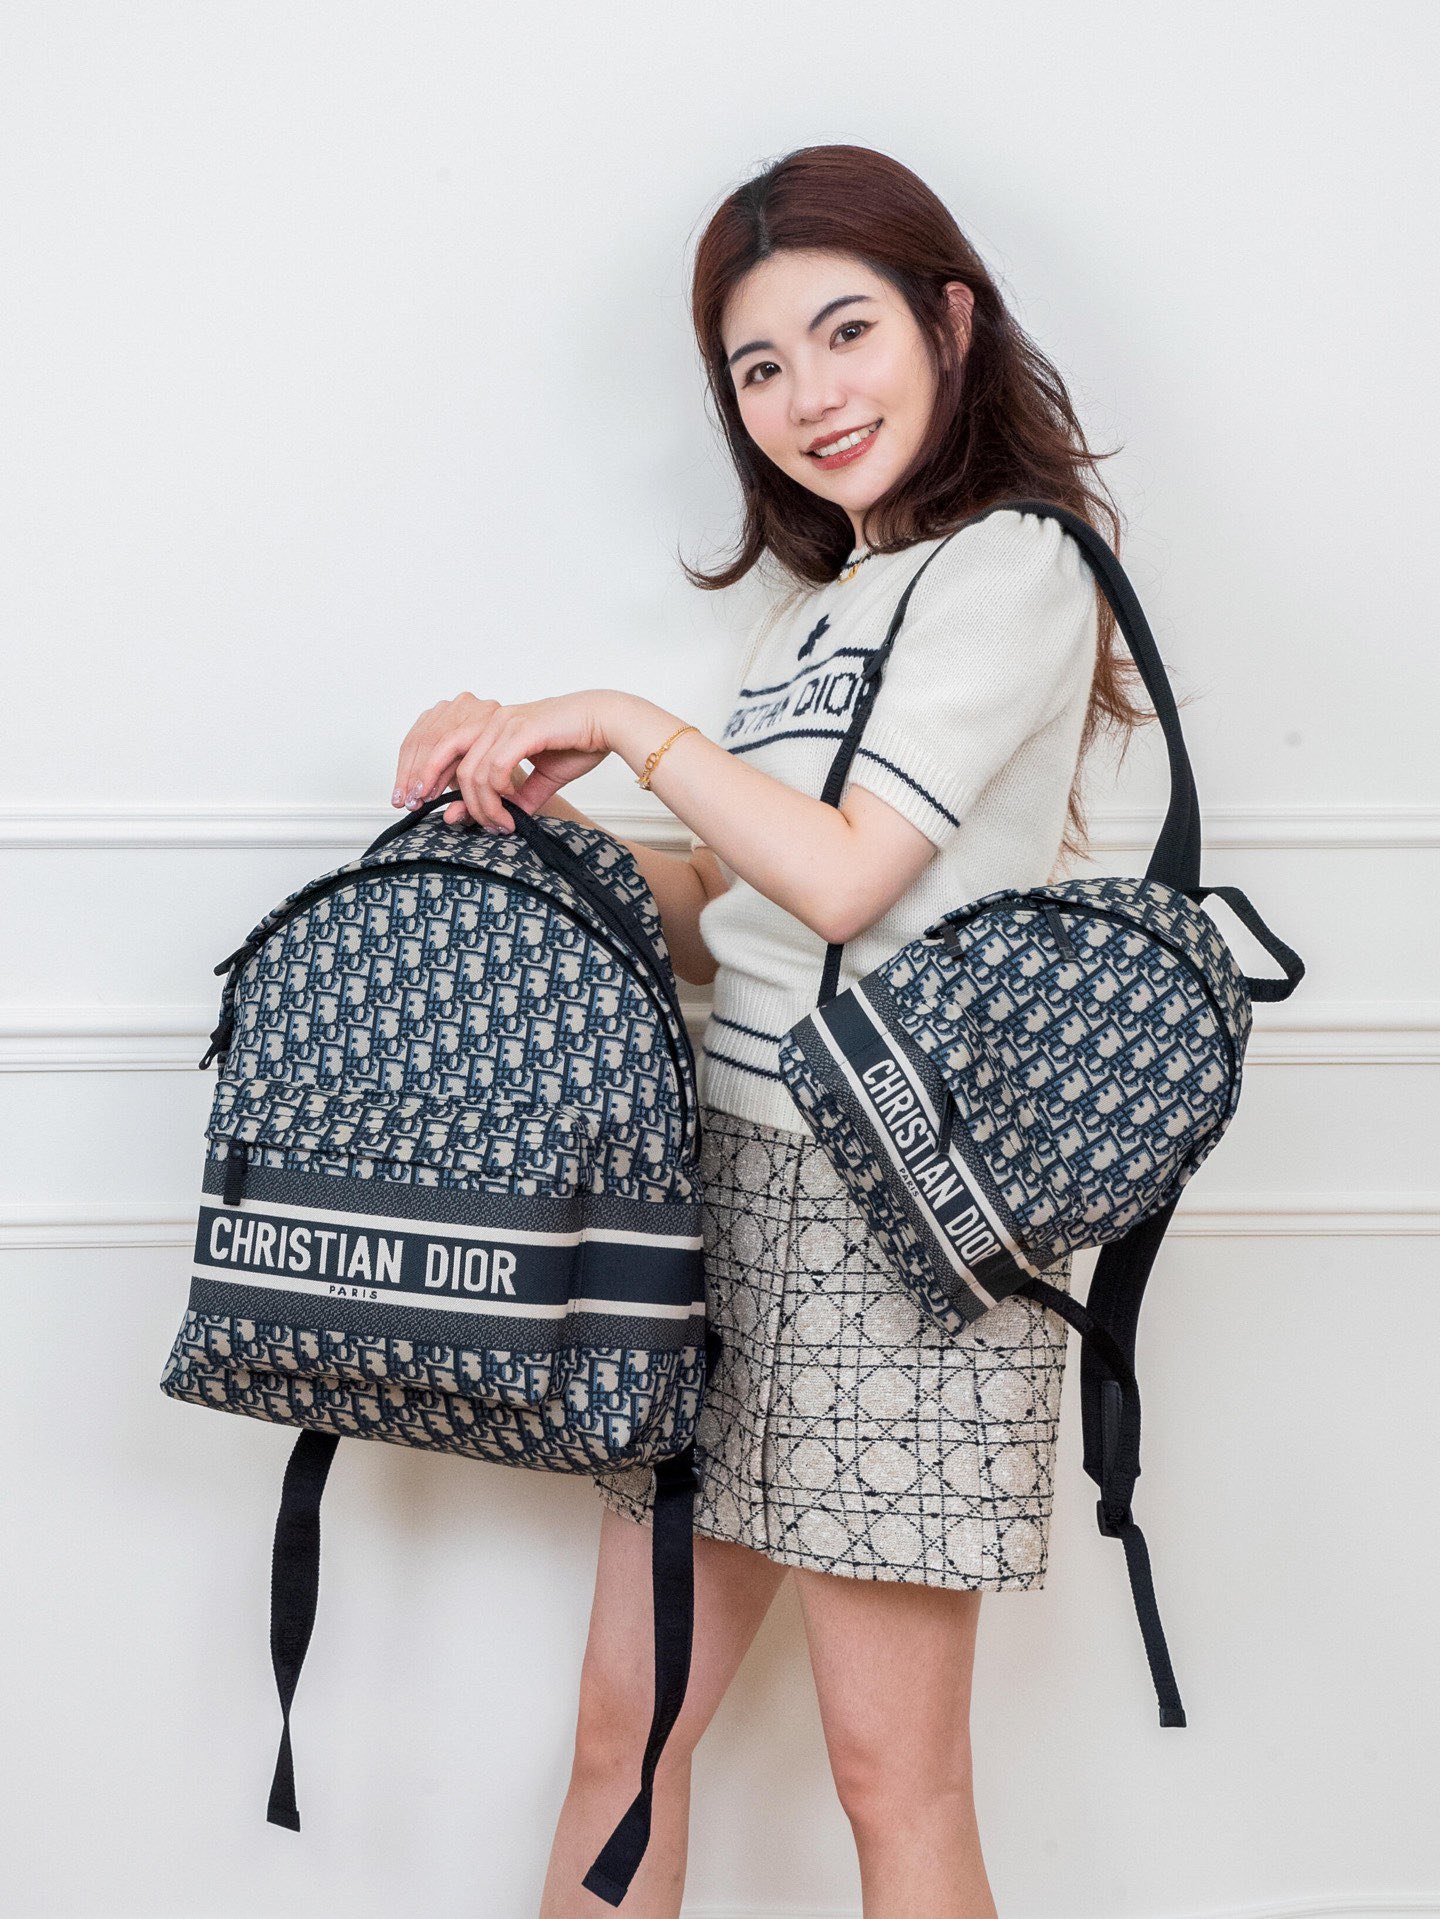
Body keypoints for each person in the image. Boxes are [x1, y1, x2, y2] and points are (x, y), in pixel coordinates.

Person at [388, 144, 1155, 1919]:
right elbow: (740, 916)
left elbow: (845, 875)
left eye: (845, 332)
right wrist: (525, 809)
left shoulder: (1021, 568)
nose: (810, 395)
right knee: (625, 1737)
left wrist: (623, 720)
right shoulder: (819, 614)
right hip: (729, 1197)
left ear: (950, 322)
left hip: (902, 1226)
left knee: (895, 1784)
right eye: (759, 365)